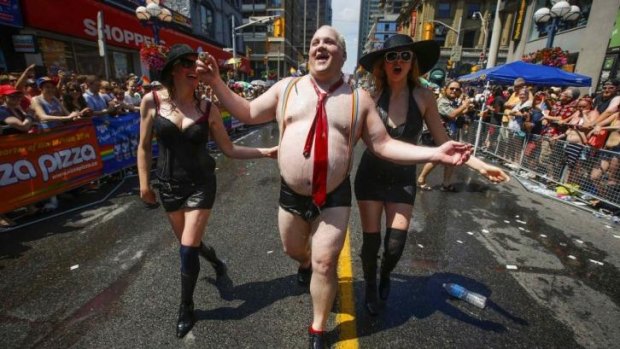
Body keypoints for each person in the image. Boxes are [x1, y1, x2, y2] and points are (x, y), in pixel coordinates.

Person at [200, 26, 473, 348]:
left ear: (343, 56)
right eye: (315, 42)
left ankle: (317, 328)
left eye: (329, 42)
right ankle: (303, 263)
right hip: (291, 194)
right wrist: (216, 82)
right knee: (294, 251)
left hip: (335, 197)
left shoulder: (359, 99)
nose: (320, 46)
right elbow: (246, 111)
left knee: (326, 262)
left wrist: (435, 152)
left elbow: (384, 145)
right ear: (309, 54)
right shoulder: (287, 88)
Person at [356, 34, 509, 316]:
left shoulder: (424, 97)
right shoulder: (369, 97)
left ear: (413, 62)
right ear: (383, 64)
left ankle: (386, 273)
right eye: (392, 56)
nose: (398, 61)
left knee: (394, 245)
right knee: (372, 242)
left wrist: (481, 166)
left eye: (405, 55)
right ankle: (370, 285)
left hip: (402, 179)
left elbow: (444, 142)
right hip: (371, 177)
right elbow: (348, 142)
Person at [136, 44, 277, 339]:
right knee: (194, 247)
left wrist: (264, 152)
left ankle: (186, 306)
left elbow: (229, 148)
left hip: (201, 185)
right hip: (169, 185)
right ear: (173, 69)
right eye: (187, 63)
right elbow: (143, 146)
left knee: (187, 249)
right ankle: (215, 261)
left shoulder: (208, 108)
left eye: (196, 64)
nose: (194, 68)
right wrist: (144, 184)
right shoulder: (151, 101)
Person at [416, 80, 472, 192]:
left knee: (451, 158)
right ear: (445, 89)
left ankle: (446, 183)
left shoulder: (452, 102)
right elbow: (452, 114)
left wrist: (466, 108)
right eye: (451, 88)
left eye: (457, 89)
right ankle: (421, 179)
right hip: (435, 134)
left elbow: (456, 113)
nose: (454, 91)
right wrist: (464, 106)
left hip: (446, 134)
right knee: (437, 158)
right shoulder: (442, 101)